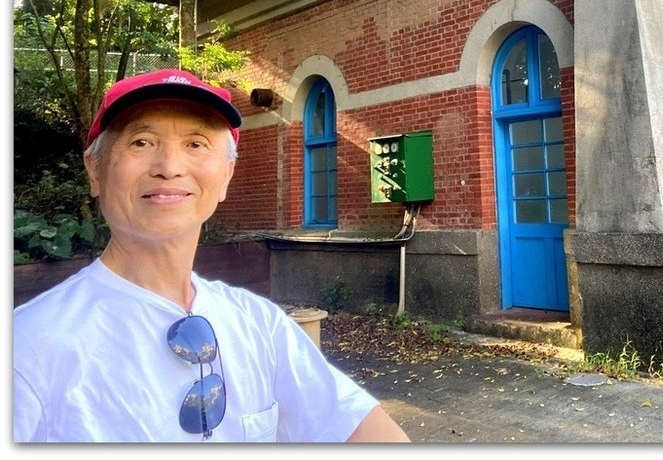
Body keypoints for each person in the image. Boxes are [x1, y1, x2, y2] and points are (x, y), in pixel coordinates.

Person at [13, 69, 410, 442]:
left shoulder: (261, 325)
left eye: (196, 144)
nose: (169, 167)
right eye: (141, 142)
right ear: (95, 171)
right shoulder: (26, 349)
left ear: (226, 176)